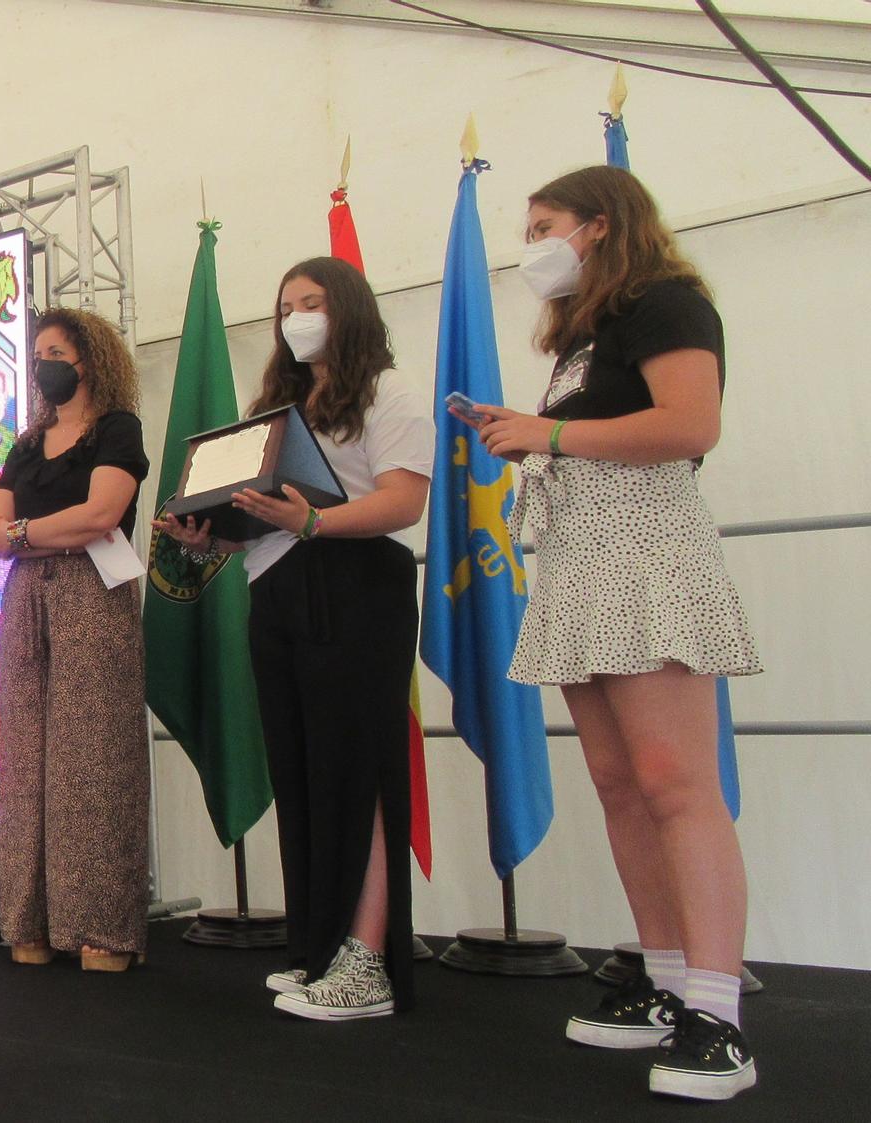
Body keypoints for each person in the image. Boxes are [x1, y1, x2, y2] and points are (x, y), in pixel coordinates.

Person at [466, 165, 761, 1101]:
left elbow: (689, 422)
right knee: (620, 783)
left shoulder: (665, 300)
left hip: (648, 555)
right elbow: (592, 431)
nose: (532, 243)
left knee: (677, 782)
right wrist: (522, 431)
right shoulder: (582, 334)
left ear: (597, 226)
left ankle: (719, 1012)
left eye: (544, 223)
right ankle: (670, 981)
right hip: (582, 560)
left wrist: (543, 437)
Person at [156, 257, 431, 1017]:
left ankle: (368, 958)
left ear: (347, 310)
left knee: (357, 770)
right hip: (278, 592)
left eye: (312, 303)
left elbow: (404, 503)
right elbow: (262, 526)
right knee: (304, 771)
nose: (296, 317)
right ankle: (320, 947)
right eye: (285, 306)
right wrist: (209, 533)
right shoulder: (277, 404)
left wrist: (311, 521)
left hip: (357, 589)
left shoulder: (390, 391)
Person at [0, 307, 152, 972]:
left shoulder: (117, 428)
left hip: (94, 595)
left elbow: (104, 513)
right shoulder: (26, 444)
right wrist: (40, 531)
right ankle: (31, 920)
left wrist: (27, 531)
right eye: (37, 351)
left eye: (55, 349)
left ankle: (104, 927)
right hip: (27, 598)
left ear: (90, 359)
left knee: (95, 756)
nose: (42, 361)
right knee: (25, 758)